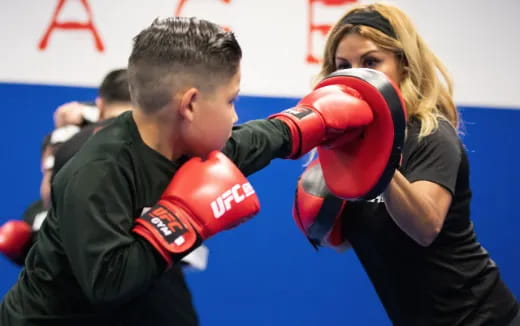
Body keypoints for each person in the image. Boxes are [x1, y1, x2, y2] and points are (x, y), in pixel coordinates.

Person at [0, 16, 391, 325]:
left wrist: (311, 123)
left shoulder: (186, 147)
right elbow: (108, 283)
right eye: (231, 100)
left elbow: (254, 140)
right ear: (189, 105)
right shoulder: (97, 171)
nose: (235, 114)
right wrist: (183, 218)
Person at [294, 3, 519, 325]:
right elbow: (344, 241)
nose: (356, 74)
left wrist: (373, 156)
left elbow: (425, 228)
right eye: (343, 65)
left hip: (482, 316)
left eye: (371, 62)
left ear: (404, 65)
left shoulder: (430, 134)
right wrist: (323, 212)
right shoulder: (347, 145)